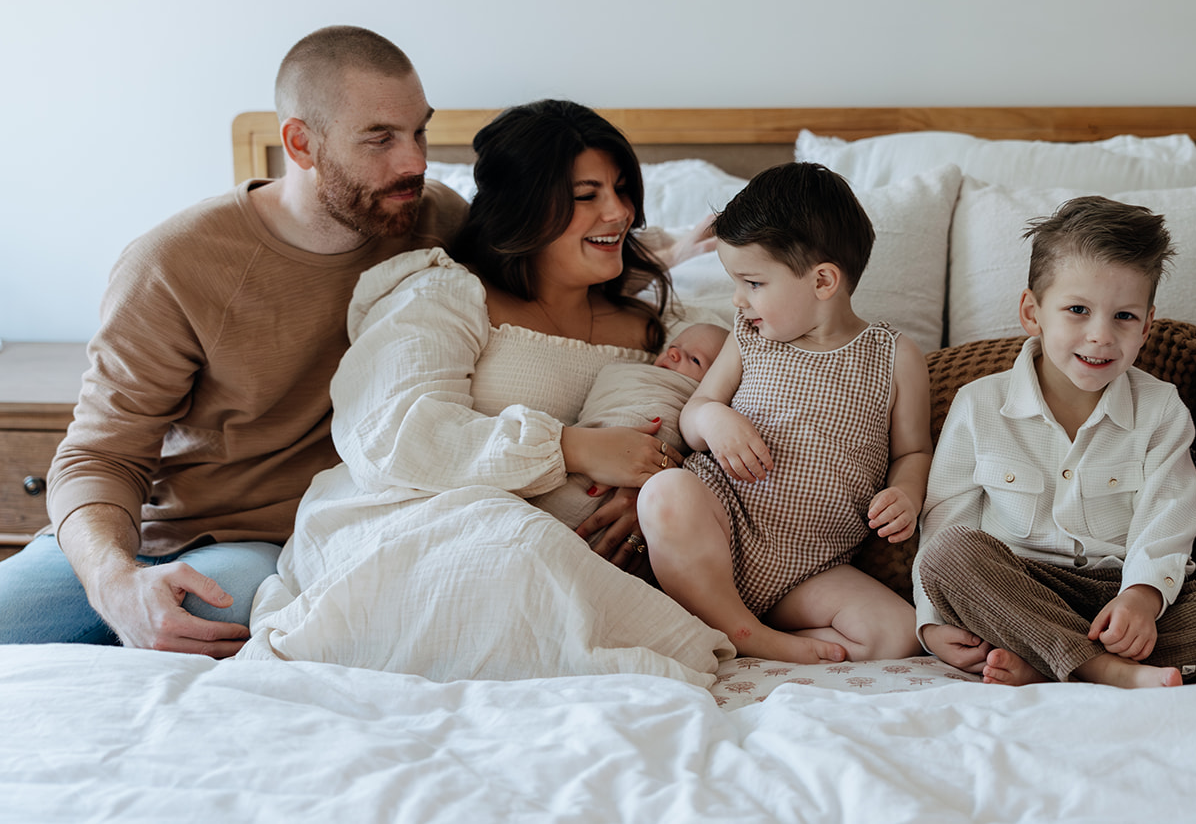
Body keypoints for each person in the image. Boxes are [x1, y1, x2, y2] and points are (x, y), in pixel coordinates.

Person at [0, 26, 468, 657]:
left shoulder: (438, 224)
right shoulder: (174, 262)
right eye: (380, 138)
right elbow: (100, 456)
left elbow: (582, 267)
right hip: (149, 535)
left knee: (225, 596)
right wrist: (114, 582)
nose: (415, 161)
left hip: (274, 549)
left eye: (419, 131)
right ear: (301, 143)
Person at [240, 101, 733, 685]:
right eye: (586, 195)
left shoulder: (664, 325)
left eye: (623, 190)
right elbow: (392, 435)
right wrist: (570, 448)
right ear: (523, 207)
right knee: (515, 548)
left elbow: (744, 417)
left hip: (582, 550)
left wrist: (658, 489)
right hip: (411, 519)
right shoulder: (446, 295)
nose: (619, 212)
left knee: (539, 557)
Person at [914, 197, 1196, 688]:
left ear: (1147, 325)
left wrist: (1143, 598)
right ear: (1032, 312)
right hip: (1015, 588)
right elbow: (944, 521)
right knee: (949, 553)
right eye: (1078, 310)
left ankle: (1045, 659)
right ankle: (1099, 669)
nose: (1100, 336)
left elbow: (1167, 522)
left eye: (1124, 317)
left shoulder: (1161, 409)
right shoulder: (979, 404)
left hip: (1120, 592)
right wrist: (933, 626)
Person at [637, 163, 932, 664]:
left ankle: (748, 628)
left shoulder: (895, 355)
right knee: (666, 494)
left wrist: (906, 492)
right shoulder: (748, 337)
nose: (737, 298)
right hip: (724, 526)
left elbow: (914, 450)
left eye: (752, 282)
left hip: (810, 567)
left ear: (822, 281)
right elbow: (695, 412)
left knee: (897, 631)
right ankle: (746, 632)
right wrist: (715, 419)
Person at [537, 322, 729, 533]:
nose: (673, 353)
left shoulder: (705, 409)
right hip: (552, 472)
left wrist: (653, 487)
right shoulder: (629, 374)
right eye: (673, 346)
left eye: (695, 359)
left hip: (652, 509)